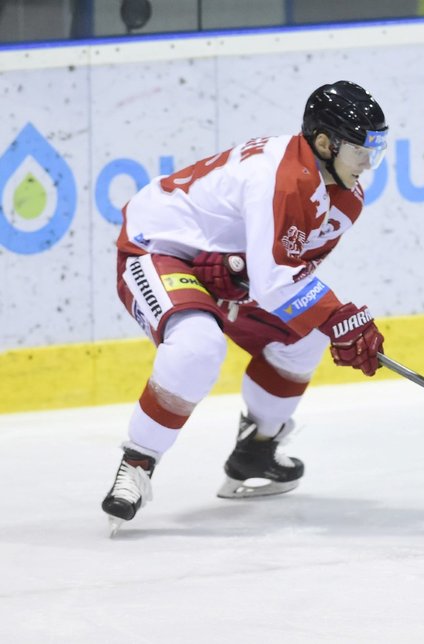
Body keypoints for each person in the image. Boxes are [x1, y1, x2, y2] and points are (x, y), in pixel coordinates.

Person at [102, 81, 389, 532]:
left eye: (376, 149)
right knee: (198, 346)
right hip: (157, 248)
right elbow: (279, 283)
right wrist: (339, 316)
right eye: (360, 150)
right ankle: (138, 463)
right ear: (324, 143)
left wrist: (318, 315)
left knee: (304, 336)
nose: (368, 163)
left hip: (224, 266)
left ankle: (256, 450)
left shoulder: (346, 200)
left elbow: (286, 277)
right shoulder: (281, 179)